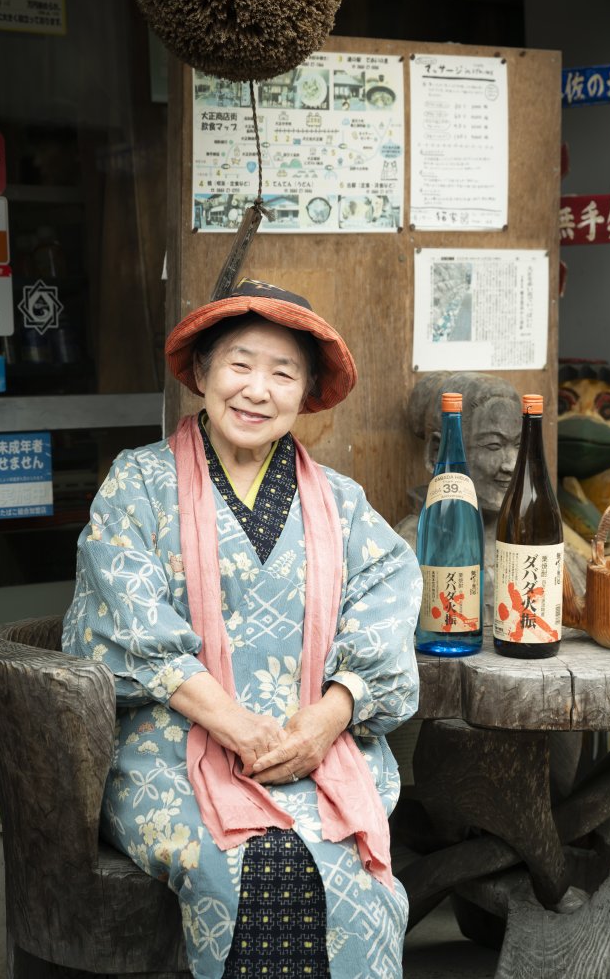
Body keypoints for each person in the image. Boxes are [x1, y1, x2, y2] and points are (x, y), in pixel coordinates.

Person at [62, 278, 422, 979]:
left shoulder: (342, 504)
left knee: (359, 885)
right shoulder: (137, 483)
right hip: (172, 754)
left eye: (282, 372)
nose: (257, 388)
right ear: (201, 373)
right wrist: (231, 722)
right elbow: (125, 617)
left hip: (312, 756)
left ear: (307, 390)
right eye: (239, 364)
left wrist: (325, 719)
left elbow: (387, 604)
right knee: (254, 867)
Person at [395, 371, 521, 625]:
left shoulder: (532, 540)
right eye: (493, 446)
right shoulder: (408, 548)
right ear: (436, 451)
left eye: (518, 445)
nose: (511, 464)